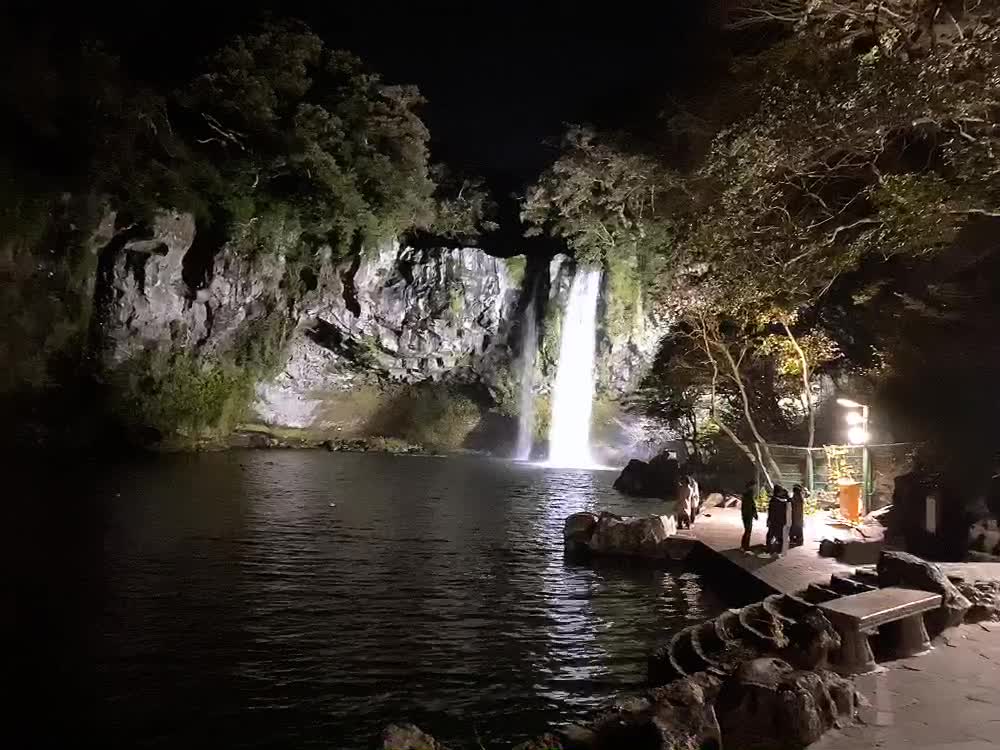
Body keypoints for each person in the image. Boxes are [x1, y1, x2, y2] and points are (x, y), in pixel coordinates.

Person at [766, 484, 790, 554]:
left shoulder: (773, 501)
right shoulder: (783, 501)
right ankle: (779, 549)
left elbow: (770, 513)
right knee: (779, 536)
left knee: (771, 535)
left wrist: (769, 520)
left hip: (774, 521)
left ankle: (770, 548)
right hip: (780, 521)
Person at [740, 480, 758, 551]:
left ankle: (744, 545)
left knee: (747, 530)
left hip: (746, 514)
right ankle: (745, 546)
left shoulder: (747, 494)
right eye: (754, 486)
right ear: (751, 486)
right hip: (748, 514)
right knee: (748, 530)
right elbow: (751, 505)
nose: (755, 487)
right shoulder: (749, 494)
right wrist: (754, 513)